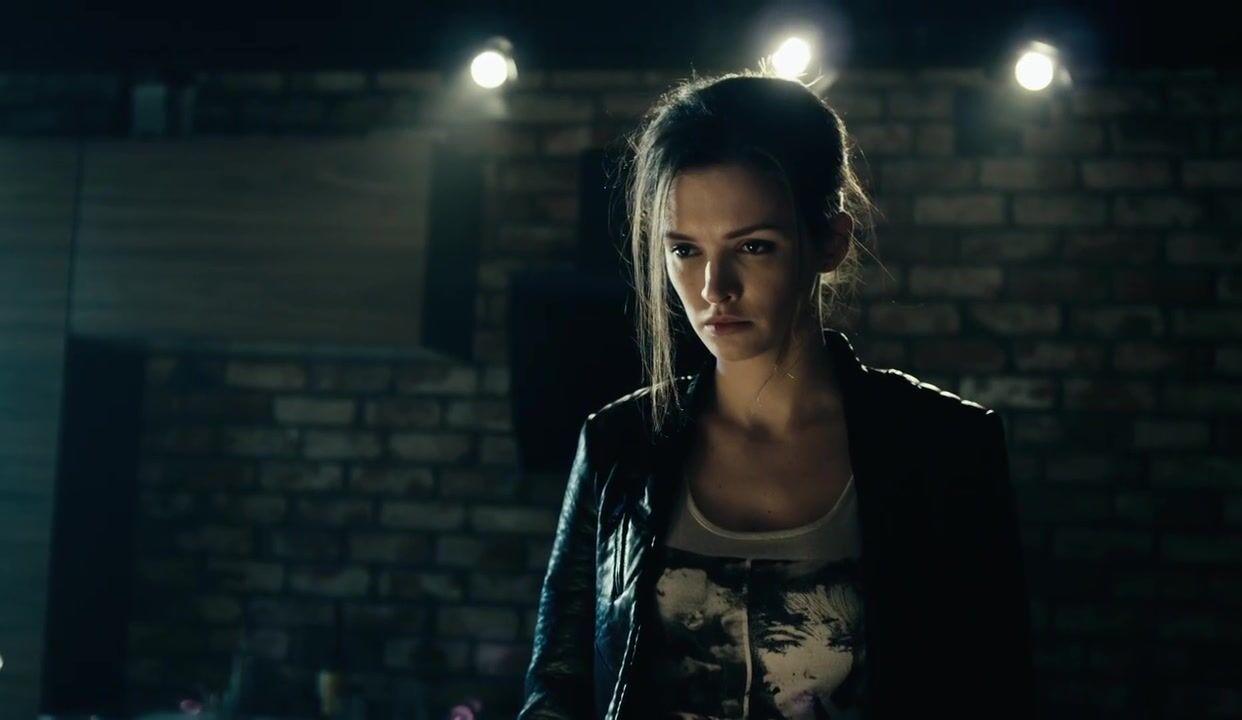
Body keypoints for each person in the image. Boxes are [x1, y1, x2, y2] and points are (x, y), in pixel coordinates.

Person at [518, 70, 1037, 720]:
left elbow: (993, 692)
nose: (715, 288)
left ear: (830, 241)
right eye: (685, 250)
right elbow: (558, 691)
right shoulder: (620, 446)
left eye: (754, 246)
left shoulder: (944, 450)